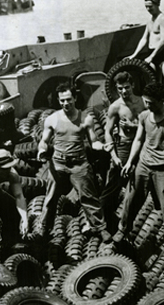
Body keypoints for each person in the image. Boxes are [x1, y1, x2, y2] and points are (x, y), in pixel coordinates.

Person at [114, 81, 164, 255]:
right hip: (144, 164)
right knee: (131, 198)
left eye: (150, 102)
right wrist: (131, 161)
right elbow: (138, 139)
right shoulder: (144, 116)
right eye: (146, 101)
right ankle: (123, 230)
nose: (147, 105)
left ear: (161, 100)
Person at [37, 84, 112, 243]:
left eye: (69, 99)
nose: (66, 103)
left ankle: (100, 229)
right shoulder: (52, 119)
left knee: (88, 198)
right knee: (50, 199)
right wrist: (42, 150)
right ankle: (43, 228)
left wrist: (102, 146)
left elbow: (93, 141)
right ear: (58, 100)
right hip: (58, 164)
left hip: (79, 164)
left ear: (75, 98)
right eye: (62, 100)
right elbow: (44, 141)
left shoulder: (86, 118)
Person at [101, 71, 146, 231]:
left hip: (142, 147)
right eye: (120, 89)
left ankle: (126, 223)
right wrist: (114, 156)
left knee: (137, 188)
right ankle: (106, 222)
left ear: (132, 85)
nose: (124, 91)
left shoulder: (143, 102)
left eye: (126, 87)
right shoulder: (115, 107)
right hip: (123, 147)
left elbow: (151, 122)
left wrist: (134, 126)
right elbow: (107, 131)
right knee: (112, 188)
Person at [128, 0, 164, 87]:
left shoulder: (163, 19)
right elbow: (144, 39)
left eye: (150, 7)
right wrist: (134, 55)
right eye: (146, 7)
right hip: (151, 54)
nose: (148, 9)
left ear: (157, 5)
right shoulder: (150, 19)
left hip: (163, 54)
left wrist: (151, 57)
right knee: (153, 85)